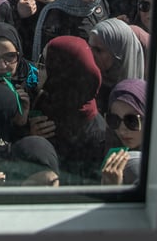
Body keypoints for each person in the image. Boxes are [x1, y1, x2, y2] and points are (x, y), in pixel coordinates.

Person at [28, 35, 108, 185]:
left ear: (61, 73)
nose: (37, 69)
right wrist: (32, 139)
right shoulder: (42, 100)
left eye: (44, 64)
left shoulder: (97, 136)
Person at [88, 18, 145, 108]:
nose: (91, 54)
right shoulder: (88, 85)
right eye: (90, 47)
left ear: (119, 54)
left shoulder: (134, 98)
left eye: (98, 50)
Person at [101, 78, 147, 187]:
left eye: (131, 121)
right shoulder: (100, 146)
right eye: (114, 120)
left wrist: (114, 190)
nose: (122, 130)